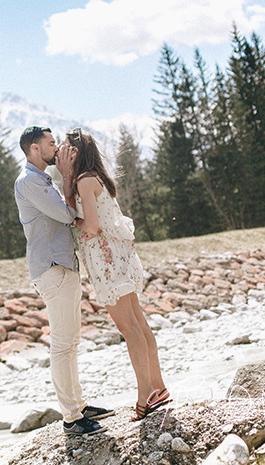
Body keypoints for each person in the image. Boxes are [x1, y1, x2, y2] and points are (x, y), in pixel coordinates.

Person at [63, 127, 170, 421]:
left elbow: (93, 226)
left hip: (107, 261)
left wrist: (72, 217)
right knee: (138, 322)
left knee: (129, 328)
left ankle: (145, 395)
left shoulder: (84, 181)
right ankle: (157, 388)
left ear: (74, 153)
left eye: (64, 148)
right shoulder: (95, 177)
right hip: (119, 257)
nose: (60, 152)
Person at [14, 126, 114, 436]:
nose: (57, 148)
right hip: (52, 268)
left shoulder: (43, 179)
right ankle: (71, 417)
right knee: (61, 344)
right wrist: (69, 177)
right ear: (34, 149)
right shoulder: (29, 181)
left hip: (63, 266)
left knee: (70, 342)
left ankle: (79, 406)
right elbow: (67, 215)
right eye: (50, 143)